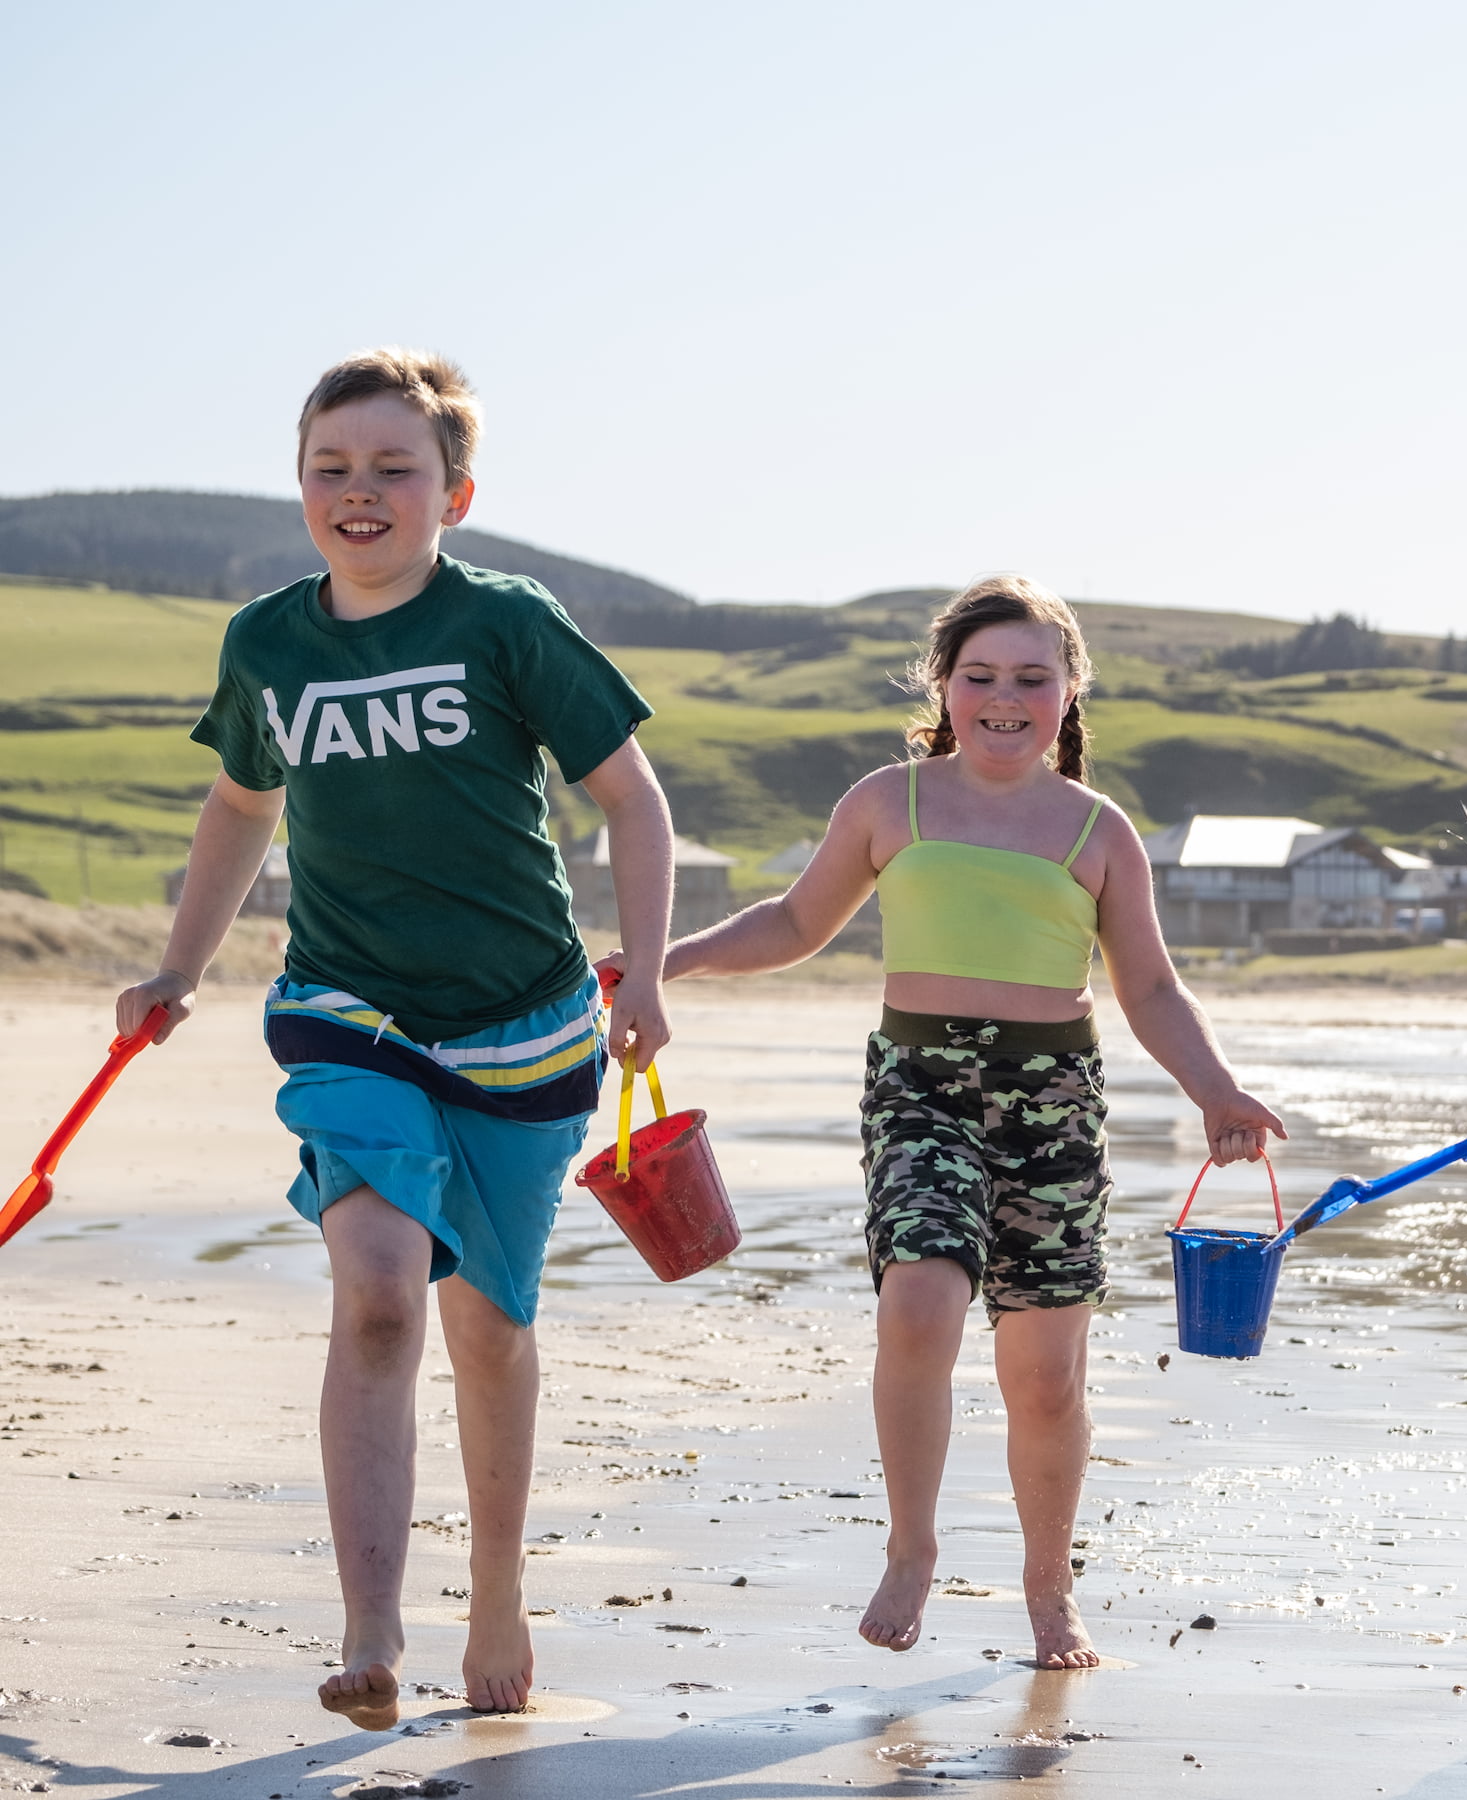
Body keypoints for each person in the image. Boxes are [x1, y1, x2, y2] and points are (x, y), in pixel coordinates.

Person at [117, 349, 676, 1728]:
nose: (358, 494)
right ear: (299, 486)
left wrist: (647, 977)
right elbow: (243, 808)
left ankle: (494, 1587)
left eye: (392, 470)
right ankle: (370, 1623)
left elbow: (634, 800)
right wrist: (178, 965)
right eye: (331, 469)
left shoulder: (506, 624)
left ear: (454, 494)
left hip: (526, 1026)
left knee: (486, 1328)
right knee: (376, 1286)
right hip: (347, 1008)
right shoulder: (270, 643)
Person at [614, 575, 1285, 1668]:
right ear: (946, 686)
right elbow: (793, 920)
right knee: (919, 1301)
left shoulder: (1099, 832)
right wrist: (662, 964)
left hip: (1052, 1098)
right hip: (920, 1087)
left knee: (1046, 1376)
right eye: (981, 677)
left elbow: (1152, 989)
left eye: (1033, 677)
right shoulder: (892, 802)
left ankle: (1044, 1587)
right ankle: (914, 1547)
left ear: (1070, 694)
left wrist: (1216, 1088)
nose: (1006, 698)